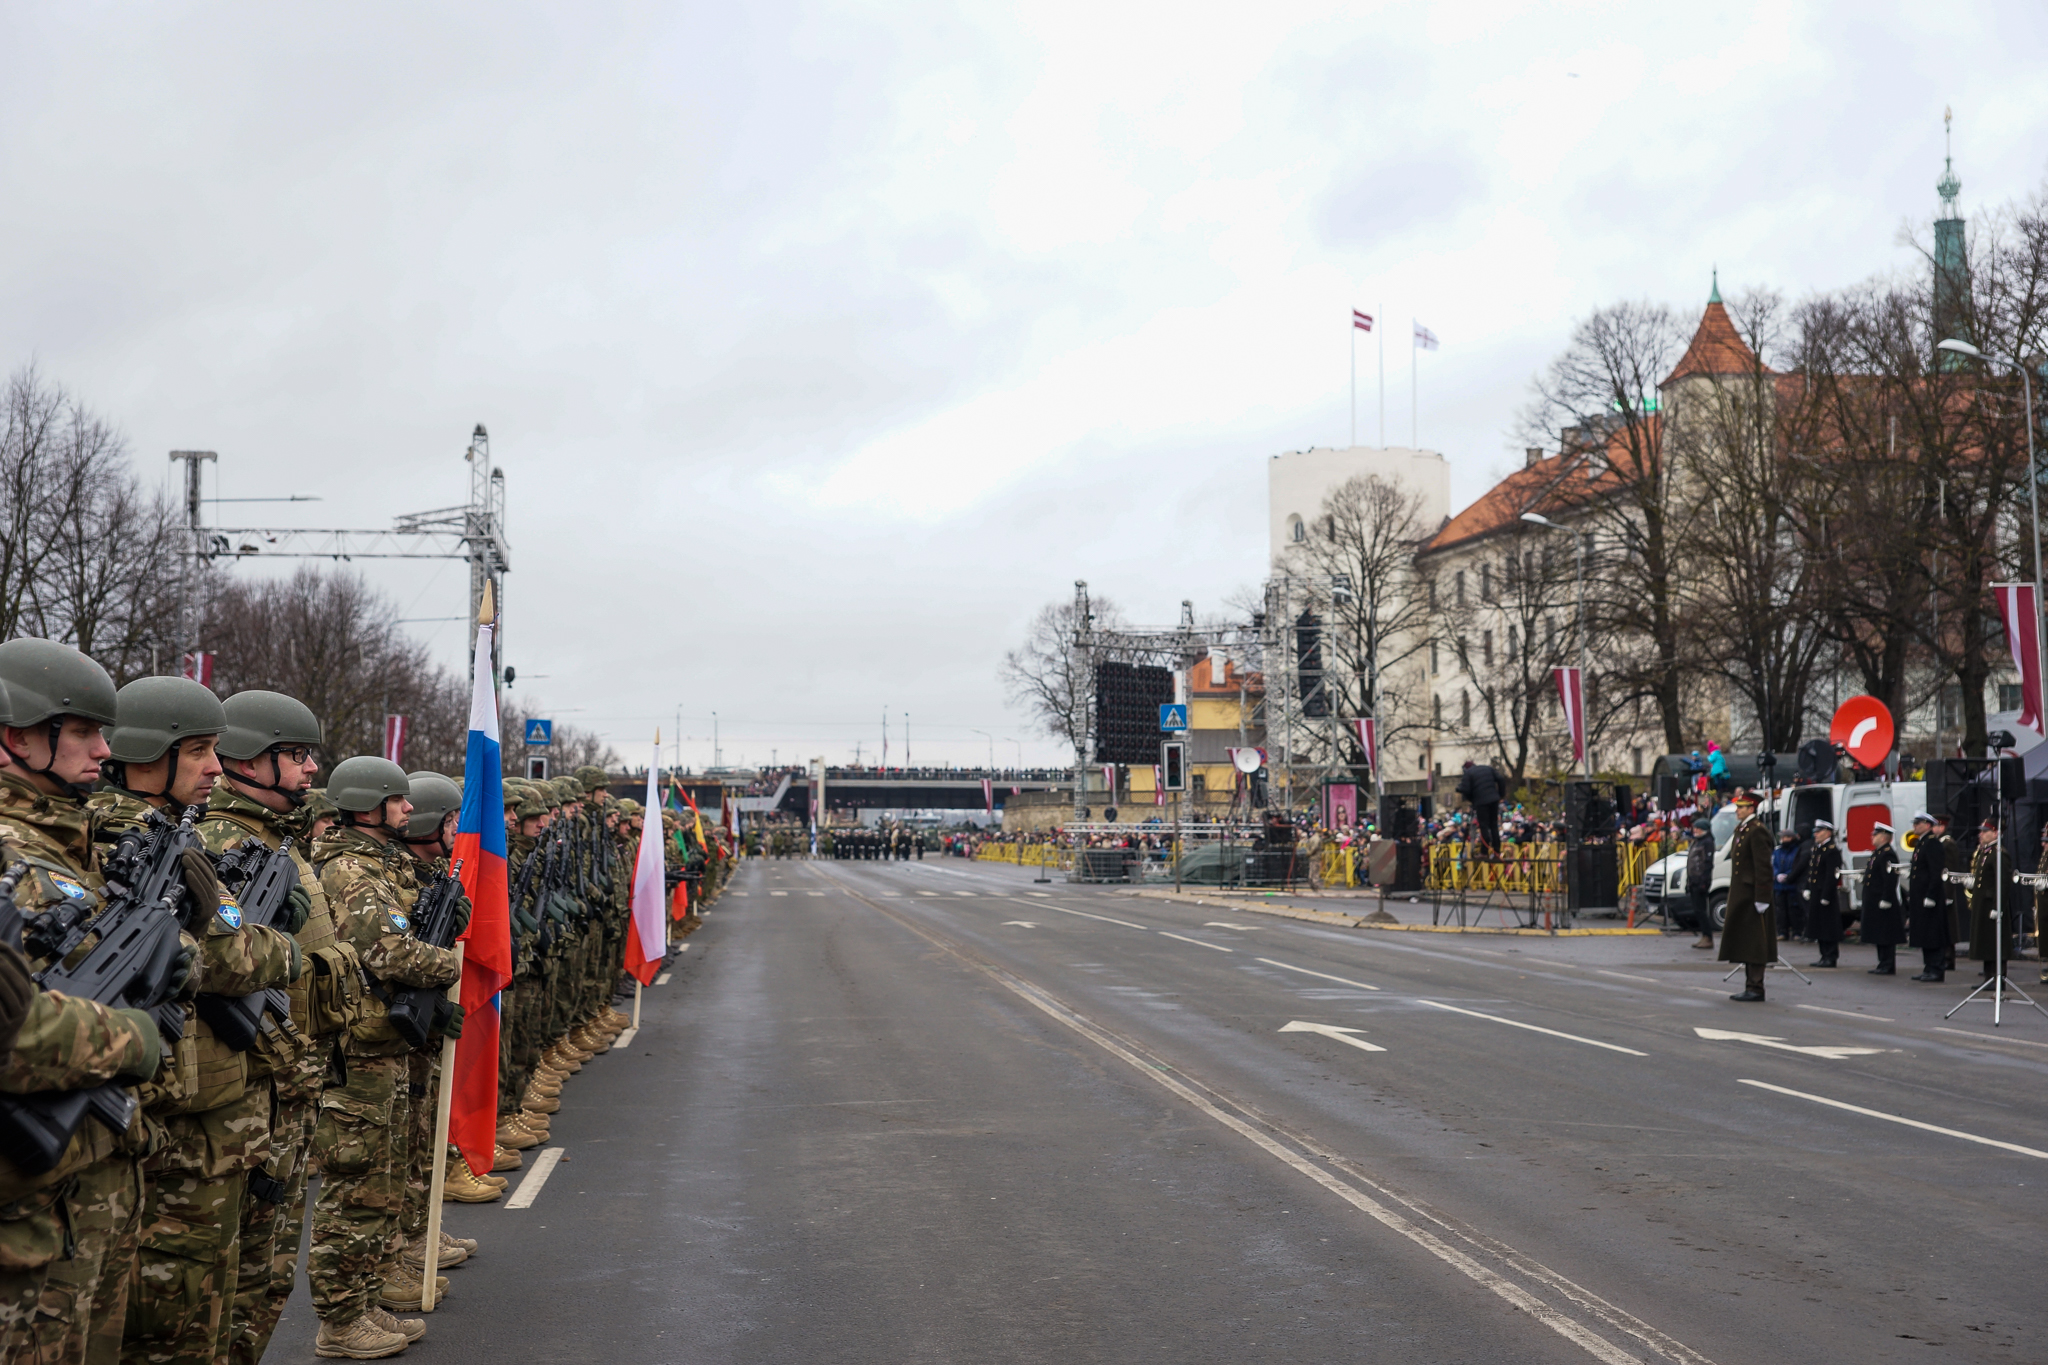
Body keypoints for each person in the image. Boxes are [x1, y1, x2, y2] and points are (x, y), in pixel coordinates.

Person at [92, 677, 299, 1365]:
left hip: (190, 1112)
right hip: (162, 1123)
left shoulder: (169, 837)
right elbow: (229, 952)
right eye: (202, 750)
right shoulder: (130, 841)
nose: (217, 766)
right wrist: (281, 948)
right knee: (173, 1325)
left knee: (205, 1309)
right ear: (154, 751)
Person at [0, 647, 168, 1364]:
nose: (105, 748)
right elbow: (15, 1032)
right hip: (25, 1215)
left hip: (82, 1193)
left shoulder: (71, 846)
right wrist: (133, 1038)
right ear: (17, 733)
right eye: (83, 730)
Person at [199, 690, 368, 1365]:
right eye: (295, 755)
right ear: (247, 759)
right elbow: (220, 962)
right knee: (229, 1287)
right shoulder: (220, 842)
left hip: (288, 1081)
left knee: (265, 1281)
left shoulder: (277, 842)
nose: (309, 769)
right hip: (249, 1087)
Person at [306, 756, 462, 1360]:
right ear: (368, 806)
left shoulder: (378, 865)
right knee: (358, 1186)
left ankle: (365, 1296)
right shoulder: (350, 870)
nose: (407, 810)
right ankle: (340, 1321)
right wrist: (453, 964)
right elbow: (392, 954)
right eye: (397, 800)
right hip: (359, 1052)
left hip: (384, 1045)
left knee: (385, 1179)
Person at [1720, 789, 1777, 1002]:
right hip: (1743, 894)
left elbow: (1763, 867)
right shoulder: (1744, 829)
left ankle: (1756, 987)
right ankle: (1749, 985)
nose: (1737, 810)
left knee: (1755, 942)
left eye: (1741, 807)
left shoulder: (1757, 831)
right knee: (1746, 941)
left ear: (1751, 808)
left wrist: (1762, 897)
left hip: (1753, 894)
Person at [1968, 818, 2022, 980]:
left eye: (1985, 831)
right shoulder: (1986, 852)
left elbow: (2002, 883)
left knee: (1995, 943)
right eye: (1981, 831)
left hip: (1992, 904)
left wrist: (1997, 906)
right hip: (1983, 904)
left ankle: (1997, 978)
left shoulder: (1999, 854)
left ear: (1996, 833)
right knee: (1986, 942)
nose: (1981, 834)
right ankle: (1988, 976)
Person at [1862, 821, 1905, 975]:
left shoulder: (1888, 854)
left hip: (1883, 900)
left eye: (1875, 834)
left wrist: (1886, 898)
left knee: (1885, 934)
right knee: (1879, 933)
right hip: (1875, 899)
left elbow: (1890, 878)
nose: (1872, 837)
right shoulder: (1878, 852)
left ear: (1884, 837)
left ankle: (1887, 964)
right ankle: (1882, 963)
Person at [1804, 820, 1844, 967]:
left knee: (1828, 926)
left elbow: (1831, 875)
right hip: (1816, 892)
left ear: (1827, 833)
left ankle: (1831, 956)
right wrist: (1808, 887)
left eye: (1819, 831)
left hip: (1826, 895)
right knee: (1819, 925)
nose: (1816, 834)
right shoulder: (1817, 849)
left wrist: (1826, 895)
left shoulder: (1831, 850)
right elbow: (1813, 871)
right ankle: (1823, 955)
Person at [1455, 758, 1503, 854]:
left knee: (1483, 825)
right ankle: (1497, 848)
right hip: (1494, 799)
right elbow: (1501, 779)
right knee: (1493, 824)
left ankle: (1484, 850)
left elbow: (1466, 790)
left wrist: (1472, 800)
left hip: (1481, 801)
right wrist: (1501, 794)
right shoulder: (1488, 768)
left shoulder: (1468, 774)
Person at [1686, 816, 1716, 950]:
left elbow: (1707, 863)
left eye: (1698, 828)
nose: (1695, 830)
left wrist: (1703, 881)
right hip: (1693, 880)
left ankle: (1708, 937)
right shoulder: (1698, 841)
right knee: (1697, 910)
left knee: (1701, 910)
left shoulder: (1707, 842)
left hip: (1700, 880)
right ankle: (1704, 935)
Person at [1772, 826, 1806, 940]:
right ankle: (1782, 932)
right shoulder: (1777, 851)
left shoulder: (1797, 850)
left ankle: (1797, 932)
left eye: (1786, 837)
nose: (1784, 839)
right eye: (1782, 837)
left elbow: (1796, 865)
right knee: (1780, 910)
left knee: (1794, 910)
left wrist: (1788, 875)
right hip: (1779, 885)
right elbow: (1774, 865)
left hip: (1792, 884)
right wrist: (1777, 875)